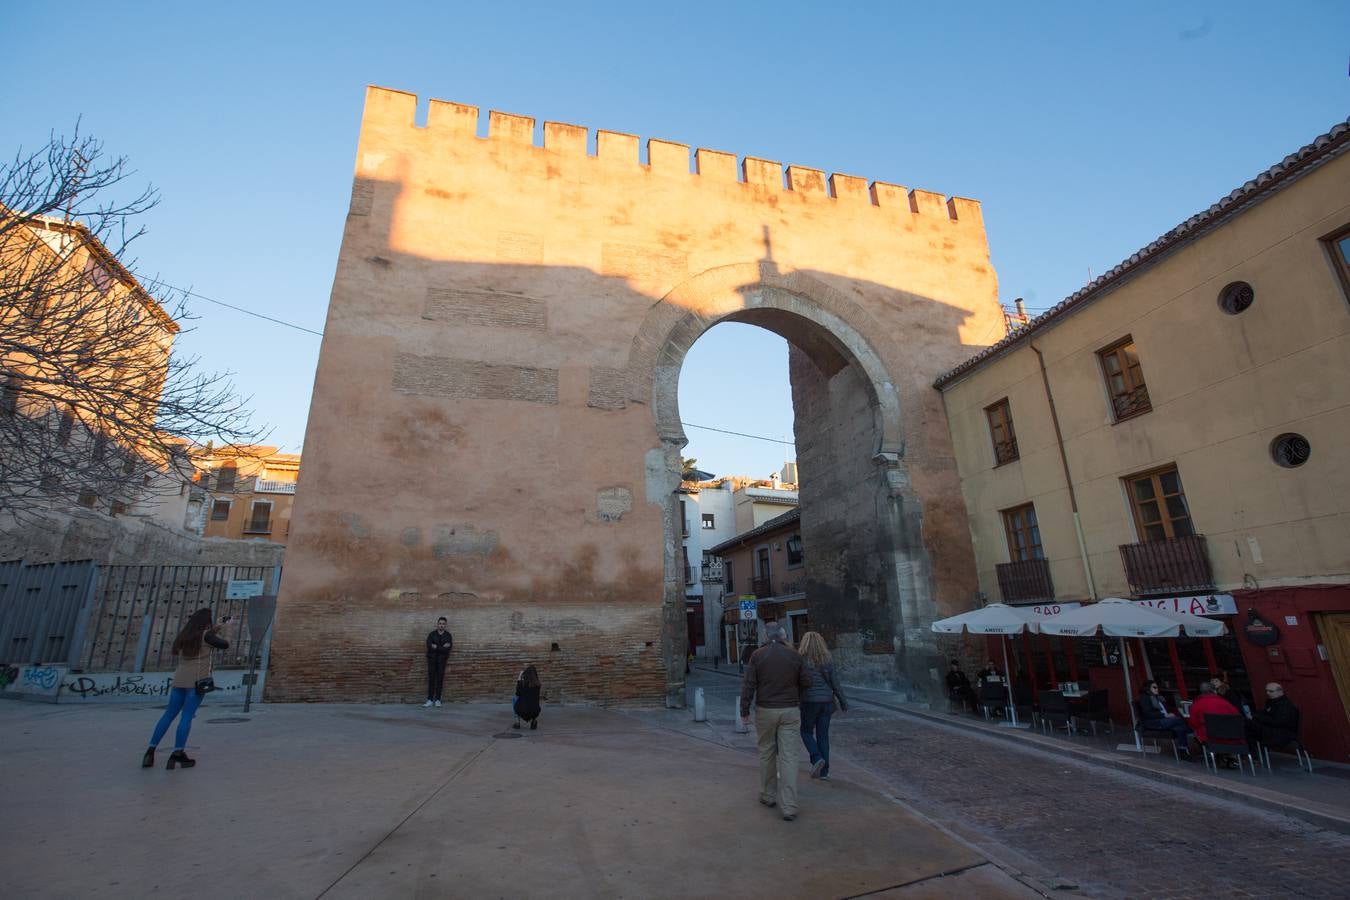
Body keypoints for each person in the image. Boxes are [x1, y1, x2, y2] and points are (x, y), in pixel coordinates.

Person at [740, 620, 812, 822]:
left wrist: (744, 710)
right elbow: (807, 682)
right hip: (789, 709)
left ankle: (768, 795)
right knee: (789, 757)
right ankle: (789, 806)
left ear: (766, 636)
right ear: (783, 636)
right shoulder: (794, 655)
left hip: (766, 710)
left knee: (766, 752)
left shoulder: (758, 655)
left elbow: (748, 685)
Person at [142, 608, 230, 770]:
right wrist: (225, 630)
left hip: (178, 681)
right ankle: (177, 753)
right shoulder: (207, 637)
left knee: (168, 714)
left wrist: (216, 628)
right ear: (206, 623)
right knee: (186, 717)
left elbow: (204, 636)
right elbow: (224, 645)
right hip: (196, 683)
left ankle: (150, 751)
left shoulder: (184, 636)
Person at [797, 632, 849, 780]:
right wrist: (843, 702)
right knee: (823, 736)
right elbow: (835, 683)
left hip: (809, 701)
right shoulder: (827, 659)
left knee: (806, 731)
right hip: (826, 701)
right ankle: (824, 772)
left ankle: (816, 757)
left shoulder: (801, 660)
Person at [1187, 681, 1241, 764]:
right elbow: (1237, 717)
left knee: (1192, 735)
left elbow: (1193, 723)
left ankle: (1214, 757)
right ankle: (1227, 756)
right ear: (1214, 691)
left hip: (1209, 738)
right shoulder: (1225, 702)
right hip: (1231, 737)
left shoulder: (1196, 705)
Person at [1137, 679, 1193, 757]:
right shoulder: (1145, 698)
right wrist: (1164, 715)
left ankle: (1183, 751)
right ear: (1147, 688)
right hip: (1154, 722)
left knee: (1180, 728)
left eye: (1157, 687)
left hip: (1164, 720)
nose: (1157, 689)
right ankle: (1194, 733)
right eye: (1154, 687)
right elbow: (1147, 713)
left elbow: (1166, 709)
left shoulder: (1158, 698)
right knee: (1179, 720)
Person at [1252, 682, 1300, 749]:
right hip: (1274, 731)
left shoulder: (1285, 705)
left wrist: (1260, 718)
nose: (1267, 693)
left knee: (1250, 732)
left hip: (1283, 734)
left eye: (1271, 691)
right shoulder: (1271, 702)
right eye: (1266, 691)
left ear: (1280, 691)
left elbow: (1278, 721)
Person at [424, 616, 453, 708]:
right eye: (440, 623)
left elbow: (447, 649)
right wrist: (442, 648)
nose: (441, 625)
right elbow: (429, 645)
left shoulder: (448, 636)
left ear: (445, 625)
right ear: (437, 624)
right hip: (432, 660)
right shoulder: (432, 634)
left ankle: (438, 700)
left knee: (440, 680)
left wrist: (436, 647)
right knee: (431, 680)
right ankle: (429, 700)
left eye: (443, 624)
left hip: (442, 661)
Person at [512, 664, 542, 730]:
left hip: (522, 710)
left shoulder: (522, 684)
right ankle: (533, 721)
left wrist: (519, 677)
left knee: (514, 698)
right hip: (535, 711)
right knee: (530, 704)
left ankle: (517, 723)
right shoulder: (538, 685)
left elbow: (517, 694)